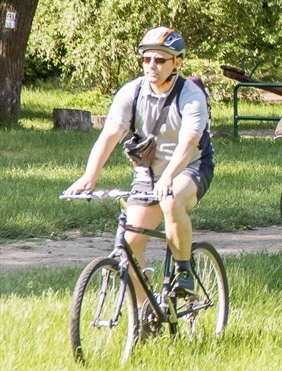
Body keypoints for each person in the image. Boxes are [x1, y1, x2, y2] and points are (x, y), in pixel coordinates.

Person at [66, 27, 214, 296]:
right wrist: (89, 176)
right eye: (147, 59)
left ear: (176, 63)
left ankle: (184, 271)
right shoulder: (132, 92)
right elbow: (109, 135)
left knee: (171, 199)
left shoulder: (191, 95)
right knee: (129, 249)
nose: (151, 65)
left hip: (190, 166)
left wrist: (168, 177)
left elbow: (189, 143)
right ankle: (148, 310)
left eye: (159, 60)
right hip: (148, 173)